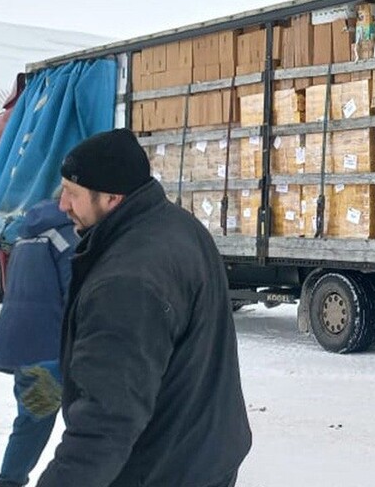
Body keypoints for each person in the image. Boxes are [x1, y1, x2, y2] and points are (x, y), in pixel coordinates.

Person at [36, 128, 251, 487]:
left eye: (72, 193)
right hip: (204, 453)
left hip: (161, 469)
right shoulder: (180, 227)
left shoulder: (125, 283)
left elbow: (105, 421)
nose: (62, 205)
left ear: (112, 199)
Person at [0, 199, 78, 487]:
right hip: (52, 346)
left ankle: (7, 482)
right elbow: (77, 294)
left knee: (31, 423)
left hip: (25, 347)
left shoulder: (27, 233)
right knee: (88, 426)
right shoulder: (67, 237)